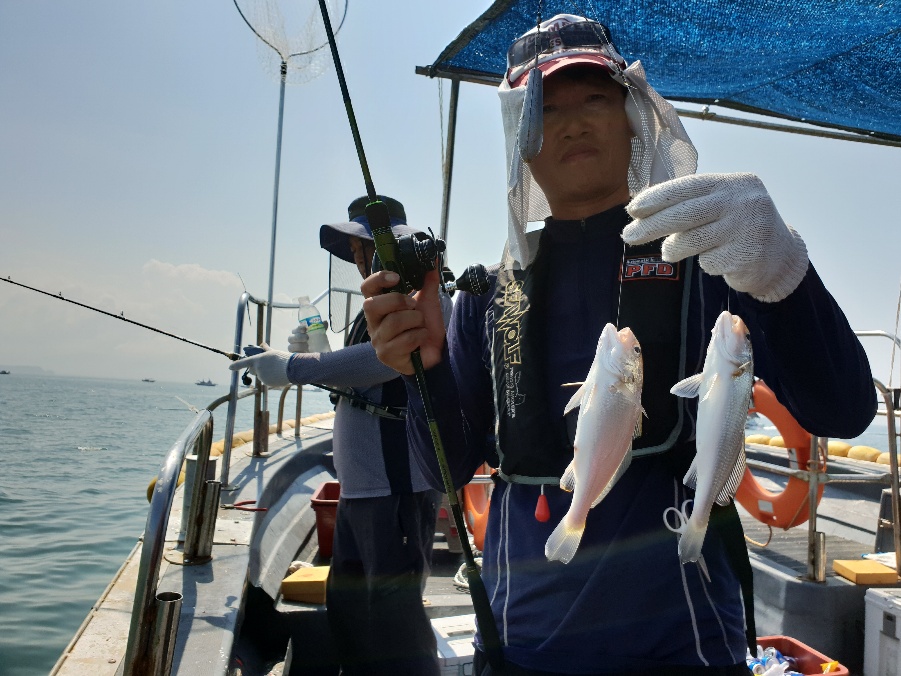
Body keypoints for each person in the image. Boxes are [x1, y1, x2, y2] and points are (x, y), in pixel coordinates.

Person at [360, 14, 876, 676]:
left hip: (684, 643)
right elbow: (445, 470)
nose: (573, 123)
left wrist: (784, 274)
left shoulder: (711, 252)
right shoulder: (488, 293)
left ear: (633, 117)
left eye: (594, 99)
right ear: (522, 139)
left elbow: (842, 409)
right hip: (520, 644)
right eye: (547, 109)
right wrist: (421, 369)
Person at [231, 195, 449, 676]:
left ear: (390, 244)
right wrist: (312, 354)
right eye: (351, 250)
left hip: (396, 487)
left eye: (362, 246)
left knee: (396, 622)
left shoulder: (424, 295)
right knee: (349, 608)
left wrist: (295, 366)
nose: (356, 257)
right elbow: (358, 369)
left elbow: (383, 360)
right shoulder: (374, 302)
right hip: (359, 489)